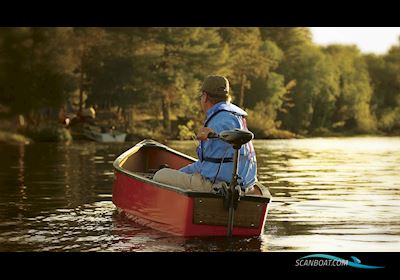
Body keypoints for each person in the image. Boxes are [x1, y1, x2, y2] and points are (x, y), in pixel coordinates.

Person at [153, 75, 257, 192]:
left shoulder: (218, 121)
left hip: (220, 188)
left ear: (205, 96)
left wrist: (174, 173)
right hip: (247, 187)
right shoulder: (236, 116)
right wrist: (180, 173)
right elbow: (210, 163)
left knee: (160, 175)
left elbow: (207, 171)